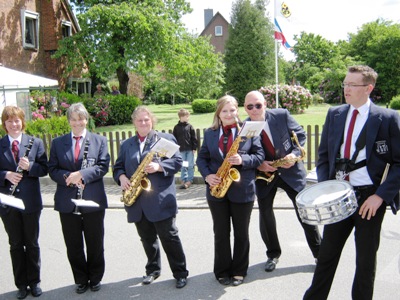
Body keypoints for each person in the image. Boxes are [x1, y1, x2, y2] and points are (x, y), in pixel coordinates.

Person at [303, 65, 400, 300]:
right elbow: (324, 155)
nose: (346, 89)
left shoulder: (387, 118)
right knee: (326, 256)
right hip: (339, 196)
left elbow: (398, 162)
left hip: (370, 199)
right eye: (345, 83)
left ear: (368, 88)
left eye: (352, 85)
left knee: (365, 262)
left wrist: (380, 197)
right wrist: (327, 189)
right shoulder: (334, 114)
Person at [244, 91, 321, 272]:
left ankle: (319, 254)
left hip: (291, 172)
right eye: (249, 106)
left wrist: (294, 155)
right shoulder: (245, 127)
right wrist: (259, 164)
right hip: (264, 176)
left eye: (258, 105)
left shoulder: (281, 115)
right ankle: (272, 254)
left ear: (265, 104)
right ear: (245, 107)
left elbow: (300, 136)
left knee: (305, 213)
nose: (254, 110)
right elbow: (244, 154)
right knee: (265, 215)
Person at [113, 106, 189, 289]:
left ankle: (180, 273)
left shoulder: (165, 139)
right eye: (139, 120)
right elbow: (118, 167)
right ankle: (153, 270)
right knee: (147, 238)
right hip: (138, 201)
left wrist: (159, 167)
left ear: (152, 120)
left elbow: (178, 162)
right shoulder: (126, 144)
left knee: (169, 237)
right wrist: (121, 177)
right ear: (134, 122)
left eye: (146, 119)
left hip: (160, 199)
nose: (143, 123)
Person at [196, 95, 264, 286]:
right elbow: (201, 159)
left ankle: (240, 270)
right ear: (218, 113)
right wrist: (207, 176)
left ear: (237, 111)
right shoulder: (210, 133)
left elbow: (259, 156)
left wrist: (243, 160)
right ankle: (222, 270)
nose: (229, 114)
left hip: (242, 189)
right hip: (217, 188)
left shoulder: (249, 130)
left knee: (241, 233)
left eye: (232, 110)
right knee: (221, 232)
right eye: (224, 111)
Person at [48, 103, 110, 294]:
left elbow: (102, 166)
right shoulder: (58, 143)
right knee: (73, 244)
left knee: (95, 242)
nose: (77, 122)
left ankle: (95, 277)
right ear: (69, 121)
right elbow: (52, 169)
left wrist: (82, 174)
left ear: (86, 119)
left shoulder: (99, 140)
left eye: (81, 118)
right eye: (73, 119)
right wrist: (68, 178)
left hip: (92, 199)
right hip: (68, 201)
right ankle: (81, 279)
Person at [0, 106, 48, 299]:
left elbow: (45, 168)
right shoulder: (0, 144)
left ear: (23, 121)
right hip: (8, 203)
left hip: (30, 202)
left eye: (17, 120)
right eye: (9, 121)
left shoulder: (35, 143)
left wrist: (31, 167)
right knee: (16, 244)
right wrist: (6, 175)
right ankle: (21, 284)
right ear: (4, 124)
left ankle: (35, 282)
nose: (14, 124)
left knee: (32, 243)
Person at [172, 108, 198, 189]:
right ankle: (184, 180)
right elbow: (174, 138)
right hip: (181, 151)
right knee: (183, 165)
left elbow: (194, 138)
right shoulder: (176, 127)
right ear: (181, 117)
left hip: (189, 150)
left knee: (190, 165)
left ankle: (189, 180)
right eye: (187, 116)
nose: (188, 118)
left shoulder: (190, 126)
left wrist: (194, 148)